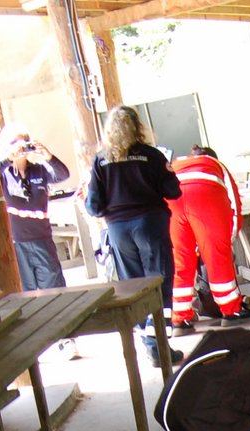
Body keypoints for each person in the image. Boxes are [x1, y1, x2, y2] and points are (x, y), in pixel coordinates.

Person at [86, 105, 180, 366]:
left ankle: (148, 343)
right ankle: (160, 346)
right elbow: (173, 192)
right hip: (150, 224)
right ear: (137, 126)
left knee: (134, 287)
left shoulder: (101, 160)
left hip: (119, 230)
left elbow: (93, 206)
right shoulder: (152, 155)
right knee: (160, 282)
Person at [167, 146, 250, 335]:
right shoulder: (216, 165)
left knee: (180, 261)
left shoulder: (177, 164)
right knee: (217, 258)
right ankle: (231, 311)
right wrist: (225, 241)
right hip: (204, 198)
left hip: (172, 202)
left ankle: (179, 320)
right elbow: (234, 205)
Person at [0, 124, 71, 292]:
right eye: (15, 142)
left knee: (54, 292)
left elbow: (63, 175)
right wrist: (8, 158)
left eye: (25, 141)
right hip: (16, 244)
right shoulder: (3, 175)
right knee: (24, 294)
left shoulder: (39, 170)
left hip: (42, 239)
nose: (21, 146)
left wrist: (48, 156)